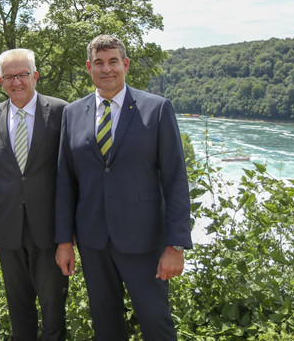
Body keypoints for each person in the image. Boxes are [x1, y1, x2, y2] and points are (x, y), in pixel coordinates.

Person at [55, 35, 192, 340]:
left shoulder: (156, 110)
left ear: (125, 65)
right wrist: (64, 240)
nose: (107, 69)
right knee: (106, 326)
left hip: (145, 242)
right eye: (99, 63)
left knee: (156, 325)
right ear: (89, 68)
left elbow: (175, 181)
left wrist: (176, 245)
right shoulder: (72, 114)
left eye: (113, 61)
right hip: (93, 241)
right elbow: (65, 181)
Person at [0, 49, 69, 340]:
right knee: (19, 309)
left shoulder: (60, 111)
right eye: (9, 76)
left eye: (22, 75)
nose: (16, 82)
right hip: (8, 231)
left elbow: (69, 177)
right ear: (0, 81)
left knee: (53, 310)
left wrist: (67, 235)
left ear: (35, 75)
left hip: (49, 232)